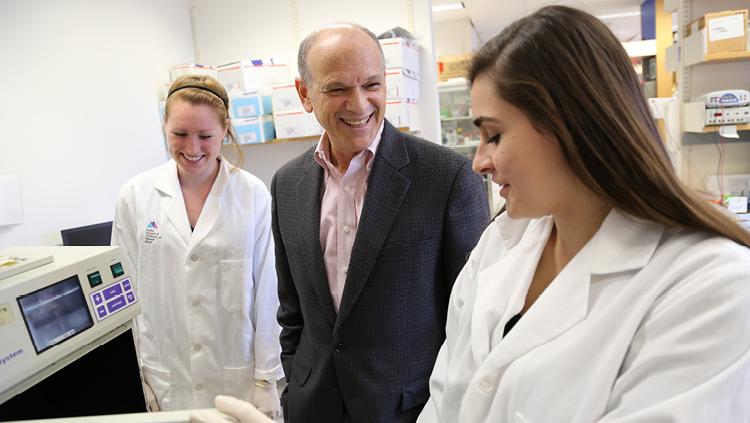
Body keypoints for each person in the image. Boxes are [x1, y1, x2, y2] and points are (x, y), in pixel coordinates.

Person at [415, 5, 750, 422]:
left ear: (570, 124)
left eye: (494, 135)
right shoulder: (501, 240)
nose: (479, 162)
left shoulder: (711, 287)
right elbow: (445, 395)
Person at [274, 23, 488, 423]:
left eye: (371, 84)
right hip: (314, 406)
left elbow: (474, 323)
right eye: (337, 89)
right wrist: (295, 387)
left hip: (411, 409)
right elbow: (292, 312)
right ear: (305, 94)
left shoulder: (447, 177)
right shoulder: (287, 184)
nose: (359, 104)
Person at [111, 74, 283, 418]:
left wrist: (267, 380)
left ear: (225, 130)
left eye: (205, 136)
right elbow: (123, 296)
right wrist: (137, 373)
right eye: (179, 134)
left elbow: (269, 292)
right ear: (164, 125)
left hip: (237, 376)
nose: (192, 149)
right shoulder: (136, 196)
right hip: (166, 377)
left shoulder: (252, 195)